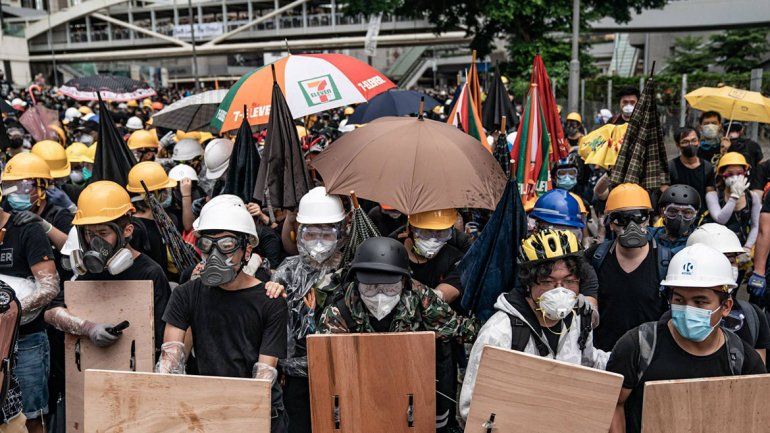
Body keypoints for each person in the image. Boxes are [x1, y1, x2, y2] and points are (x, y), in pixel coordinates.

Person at [317, 236, 477, 433]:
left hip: (411, 381)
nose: (380, 296)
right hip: (359, 386)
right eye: (370, 288)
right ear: (357, 282)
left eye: (390, 288)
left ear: (404, 282)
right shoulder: (338, 311)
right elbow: (329, 369)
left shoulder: (419, 297)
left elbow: (458, 327)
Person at [159, 195, 289, 432]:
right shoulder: (186, 294)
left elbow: (265, 374)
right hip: (209, 406)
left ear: (247, 250)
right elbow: (170, 362)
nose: (215, 254)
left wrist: (243, 416)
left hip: (259, 410)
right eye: (207, 245)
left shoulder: (270, 301)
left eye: (227, 245)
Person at [607, 244, 766, 433]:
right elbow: (613, 403)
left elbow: (756, 416)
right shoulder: (639, 345)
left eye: (700, 302)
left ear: (726, 307)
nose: (688, 309)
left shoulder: (743, 360)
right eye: (679, 300)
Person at [459, 229, 607, 421]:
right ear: (529, 284)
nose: (560, 291)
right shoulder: (499, 332)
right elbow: (471, 407)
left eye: (569, 281)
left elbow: (587, 365)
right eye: (547, 282)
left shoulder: (580, 318)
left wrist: (627, 357)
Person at [45, 181, 171, 355]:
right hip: (92, 364)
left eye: (103, 233)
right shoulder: (87, 271)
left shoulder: (150, 273)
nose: (95, 242)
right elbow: (51, 313)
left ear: (127, 230)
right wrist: (88, 328)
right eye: (89, 234)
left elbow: (164, 335)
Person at [272, 186, 347, 433]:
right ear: (300, 234)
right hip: (295, 376)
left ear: (340, 234)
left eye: (327, 235)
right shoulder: (288, 271)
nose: (318, 243)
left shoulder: (349, 272)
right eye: (311, 234)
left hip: (340, 369)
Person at [0, 160, 61, 433]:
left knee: (30, 417)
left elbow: (49, 286)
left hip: (27, 341)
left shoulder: (26, 229)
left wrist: (12, 312)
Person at [589, 183, 667, 352]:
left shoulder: (665, 262)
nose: (632, 226)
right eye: (622, 219)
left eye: (638, 217)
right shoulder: (595, 257)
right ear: (610, 223)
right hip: (604, 355)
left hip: (649, 356)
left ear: (648, 219)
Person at [687, 223, 770, 362]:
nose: (726, 267)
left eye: (731, 260)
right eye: (719, 261)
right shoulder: (679, 317)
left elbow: (758, 373)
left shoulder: (753, 316)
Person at [125, 161, 179, 280]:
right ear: (152, 195)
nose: (167, 194)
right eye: (164, 190)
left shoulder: (159, 222)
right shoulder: (135, 230)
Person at [703, 152, 760, 251]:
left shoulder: (752, 197)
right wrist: (734, 197)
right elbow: (721, 219)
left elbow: (755, 225)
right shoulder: (713, 195)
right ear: (722, 175)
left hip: (742, 246)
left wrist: (747, 247)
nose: (735, 177)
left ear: (745, 174)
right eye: (730, 174)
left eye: (739, 173)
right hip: (717, 246)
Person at [666, 127, 714, 213]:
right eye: (685, 142)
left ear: (699, 142)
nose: (690, 144)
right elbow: (665, 195)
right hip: (678, 214)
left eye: (694, 140)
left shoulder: (707, 167)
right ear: (678, 145)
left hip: (701, 215)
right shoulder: (671, 167)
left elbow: (711, 195)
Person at [649, 184, 700, 258]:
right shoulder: (651, 235)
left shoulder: (698, 239)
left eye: (687, 212)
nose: (679, 218)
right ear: (662, 212)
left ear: (695, 215)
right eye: (673, 211)